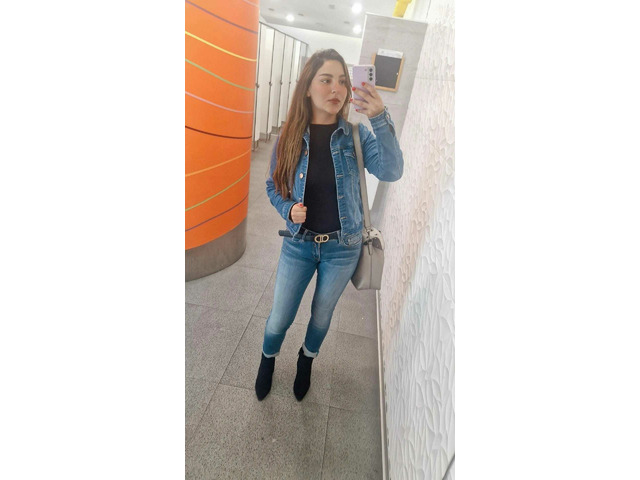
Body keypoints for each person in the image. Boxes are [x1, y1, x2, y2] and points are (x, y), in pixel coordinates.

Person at [255, 49, 404, 401]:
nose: (336, 89)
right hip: (298, 245)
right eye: (325, 80)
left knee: (321, 316)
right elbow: (272, 186)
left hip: (343, 248)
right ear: (308, 87)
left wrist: (379, 118)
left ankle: (306, 360)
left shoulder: (355, 135)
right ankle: (267, 358)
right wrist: (288, 208)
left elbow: (391, 170)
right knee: (280, 317)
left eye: (342, 81)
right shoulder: (290, 136)